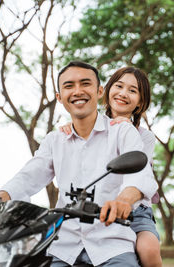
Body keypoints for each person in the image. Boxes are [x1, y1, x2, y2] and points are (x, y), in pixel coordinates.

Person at [0, 61, 158, 266]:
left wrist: (123, 200)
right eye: (69, 86)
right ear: (59, 97)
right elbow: (29, 176)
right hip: (65, 246)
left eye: (85, 84)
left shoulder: (123, 131)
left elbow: (140, 174)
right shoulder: (55, 139)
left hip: (112, 243)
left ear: (99, 91)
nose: (78, 91)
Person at [60, 67, 162, 267]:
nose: (123, 93)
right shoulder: (91, 127)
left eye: (133, 91)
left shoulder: (144, 136)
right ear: (106, 90)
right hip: (98, 207)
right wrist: (71, 128)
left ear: (140, 102)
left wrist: (125, 127)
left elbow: (139, 171)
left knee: (148, 250)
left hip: (135, 210)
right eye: (119, 86)